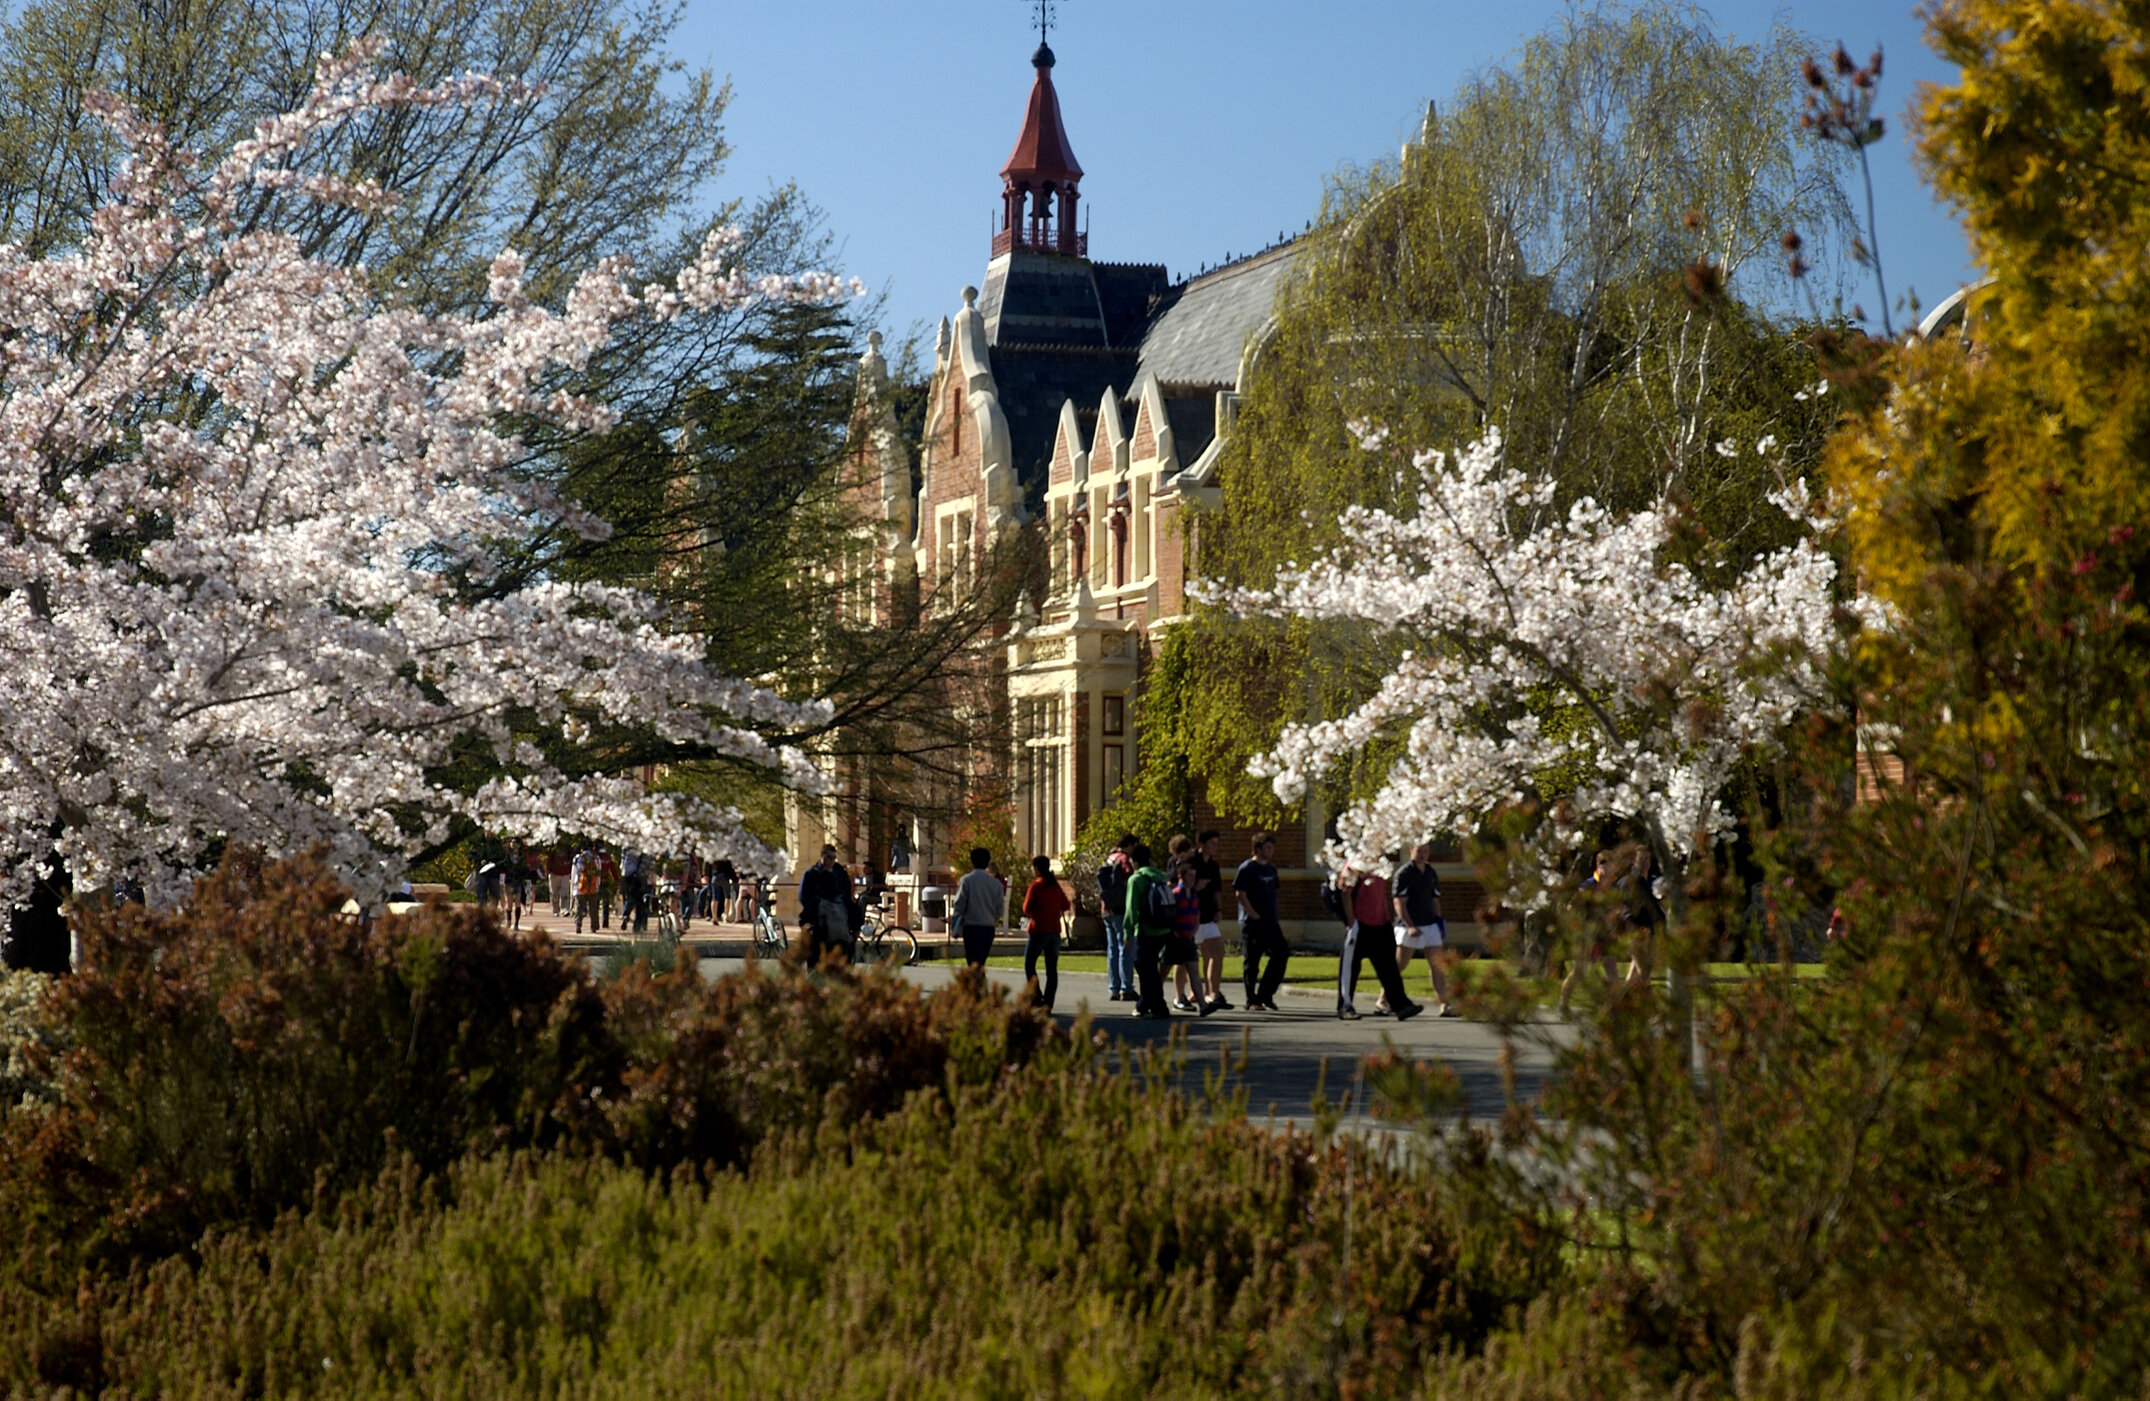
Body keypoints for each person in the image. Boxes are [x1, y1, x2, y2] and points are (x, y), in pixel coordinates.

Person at [1335, 857, 1419, 1022]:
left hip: (1381, 923)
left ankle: (1401, 1005)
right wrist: (1351, 921)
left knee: (1389, 968)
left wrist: (1386, 916)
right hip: (1360, 924)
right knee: (1350, 968)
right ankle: (1345, 1006)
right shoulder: (1355, 863)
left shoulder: (1381, 863)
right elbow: (1345, 891)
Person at [1391, 842, 1456, 1017]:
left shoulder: (1430, 873)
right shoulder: (1404, 873)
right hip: (1408, 926)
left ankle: (1445, 1003)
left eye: (1426, 851)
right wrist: (1409, 925)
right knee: (1401, 964)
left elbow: (1435, 900)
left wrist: (1439, 923)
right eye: (1419, 851)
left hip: (1429, 924)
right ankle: (1385, 1000)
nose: (1423, 855)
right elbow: (1398, 902)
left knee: (1437, 964)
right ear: (1411, 851)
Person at [1557, 849, 1621, 1017]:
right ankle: (1562, 1003)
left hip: (1606, 935)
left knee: (1612, 972)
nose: (1610, 870)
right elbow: (1572, 906)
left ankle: (1614, 1008)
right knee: (1579, 970)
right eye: (1607, 866)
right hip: (1588, 935)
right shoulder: (1588, 885)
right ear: (1599, 866)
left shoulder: (1614, 886)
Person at [1235, 831, 1289, 1010]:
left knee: (1281, 953)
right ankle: (1252, 1000)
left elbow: (1275, 893)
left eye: (1272, 848)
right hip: (1252, 922)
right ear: (1257, 848)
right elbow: (1240, 894)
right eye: (1267, 847)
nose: (1270, 851)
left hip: (1270, 920)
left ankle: (1266, 993)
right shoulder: (1246, 868)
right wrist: (1252, 913)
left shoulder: (1271, 869)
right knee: (1252, 960)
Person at [1123, 842, 1175, 1018]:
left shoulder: (1137, 879)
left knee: (1144, 967)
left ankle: (1159, 1006)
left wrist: (1126, 931)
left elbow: (1131, 908)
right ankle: (1143, 1005)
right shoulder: (1160, 876)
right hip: (1163, 928)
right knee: (1150, 966)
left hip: (1146, 929)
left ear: (1134, 860)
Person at [1168, 852, 1221, 1016]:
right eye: (1189, 876)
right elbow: (1170, 916)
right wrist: (1175, 932)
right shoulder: (1176, 894)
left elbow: (1196, 915)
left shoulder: (1194, 896)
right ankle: (1157, 998)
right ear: (1180, 876)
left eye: (1194, 876)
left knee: (1193, 970)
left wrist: (1194, 930)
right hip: (1177, 939)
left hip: (1189, 937)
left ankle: (1203, 1006)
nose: (1193, 879)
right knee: (1167, 969)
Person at [1020, 854, 1069, 1012]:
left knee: (1029, 964)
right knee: (1051, 969)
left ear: (1036, 869)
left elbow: (1026, 908)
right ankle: (1048, 1002)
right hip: (1054, 931)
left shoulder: (1036, 886)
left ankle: (1036, 996)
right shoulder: (1055, 885)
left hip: (1038, 930)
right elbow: (1066, 904)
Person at [798, 845, 854, 966]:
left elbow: (847, 894)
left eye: (834, 858)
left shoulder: (839, 872)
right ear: (821, 856)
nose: (831, 861)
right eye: (829, 858)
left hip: (839, 931)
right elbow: (803, 896)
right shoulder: (811, 874)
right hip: (818, 927)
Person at [1096, 834, 1137, 1001]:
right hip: (1121, 909)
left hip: (1107, 908)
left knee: (1112, 950)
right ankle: (1126, 987)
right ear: (1130, 845)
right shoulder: (1124, 860)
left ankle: (1113, 987)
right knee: (1126, 947)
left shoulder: (1109, 859)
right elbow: (1129, 879)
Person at [951, 846, 1005, 969]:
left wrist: (956, 924)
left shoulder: (967, 880)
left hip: (972, 927)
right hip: (988, 928)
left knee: (973, 963)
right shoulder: (996, 884)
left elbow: (959, 904)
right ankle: (979, 985)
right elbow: (999, 908)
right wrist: (992, 919)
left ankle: (976, 986)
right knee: (981, 962)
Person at [572, 847, 602, 935]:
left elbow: (574, 872)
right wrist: (597, 885)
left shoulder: (578, 858)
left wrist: (574, 885)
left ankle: (578, 924)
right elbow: (599, 872)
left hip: (580, 886)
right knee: (593, 908)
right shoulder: (596, 858)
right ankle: (594, 926)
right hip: (593, 886)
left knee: (579, 907)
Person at [545, 845, 572, 916]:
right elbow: (548, 860)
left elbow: (570, 860)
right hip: (554, 874)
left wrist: (569, 871)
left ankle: (565, 909)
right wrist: (548, 870)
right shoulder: (552, 849)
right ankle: (556, 909)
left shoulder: (568, 848)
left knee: (565, 893)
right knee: (554, 893)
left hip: (565, 874)